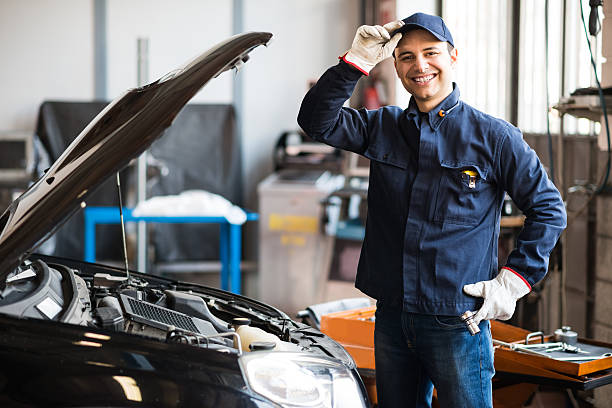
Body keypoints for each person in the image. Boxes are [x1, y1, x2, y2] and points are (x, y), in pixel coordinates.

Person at [297, 12, 566, 408]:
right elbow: (316, 122)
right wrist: (354, 62)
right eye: (406, 56)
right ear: (395, 65)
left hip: (457, 320)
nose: (419, 66)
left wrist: (514, 280)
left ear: (453, 56)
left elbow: (548, 209)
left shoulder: (493, 137)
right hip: (391, 315)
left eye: (430, 53)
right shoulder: (383, 126)